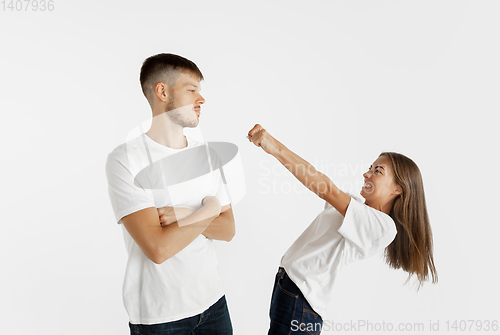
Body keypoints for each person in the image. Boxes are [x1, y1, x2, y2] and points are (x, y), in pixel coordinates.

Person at [247, 124, 437, 335]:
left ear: (398, 189)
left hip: (301, 302)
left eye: (377, 171)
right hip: (288, 289)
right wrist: (271, 144)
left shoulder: (383, 227)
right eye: (370, 168)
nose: (366, 174)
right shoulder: (353, 205)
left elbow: (325, 188)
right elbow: (316, 178)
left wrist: (274, 147)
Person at [105, 53, 235, 334]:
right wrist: (209, 210)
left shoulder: (208, 155)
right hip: (161, 318)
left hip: (213, 304)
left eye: (200, 91)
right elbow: (158, 248)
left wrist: (187, 215)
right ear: (162, 91)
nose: (202, 100)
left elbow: (228, 230)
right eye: (192, 90)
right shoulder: (126, 159)